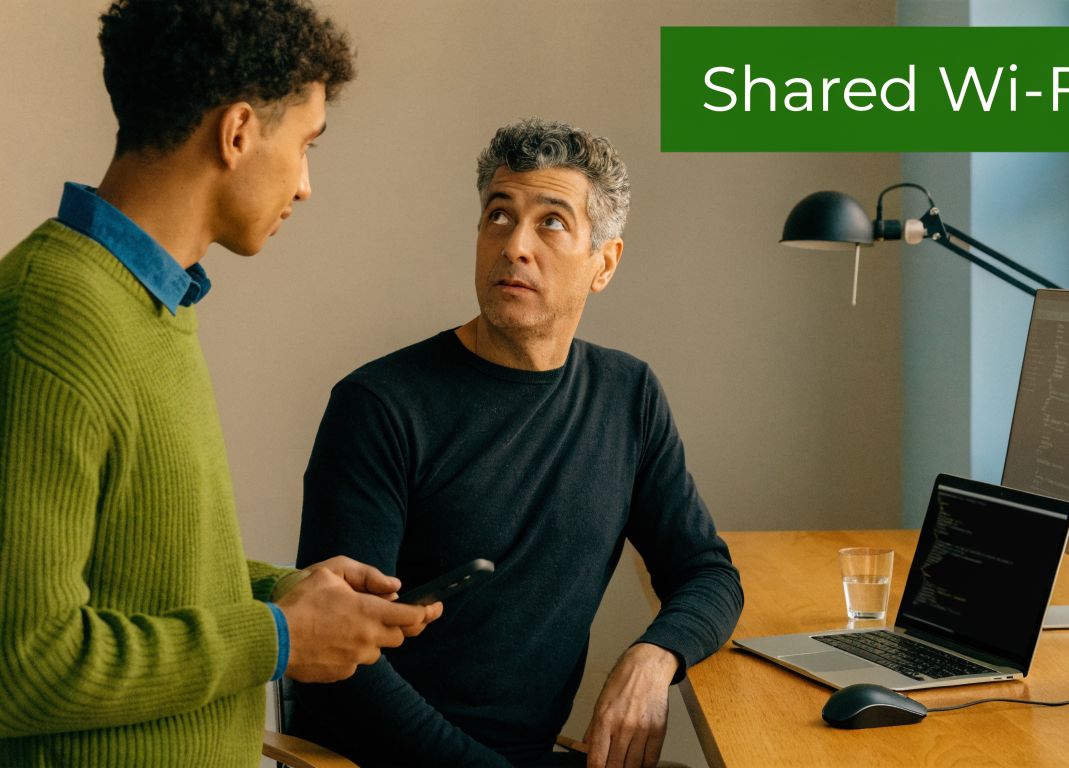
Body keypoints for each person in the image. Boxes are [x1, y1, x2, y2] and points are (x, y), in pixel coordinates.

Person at [0, 2, 441, 765]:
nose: (304, 186)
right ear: (237, 133)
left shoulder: (150, 303)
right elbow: (21, 662)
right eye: (305, 146)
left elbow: (132, 568)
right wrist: (277, 638)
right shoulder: (54, 315)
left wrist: (284, 593)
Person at [292, 118, 745, 768]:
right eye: (498, 216)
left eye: (551, 222)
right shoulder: (380, 406)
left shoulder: (628, 395)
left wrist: (654, 658)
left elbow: (707, 573)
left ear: (604, 263)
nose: (515, 245)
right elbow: (339, 672)